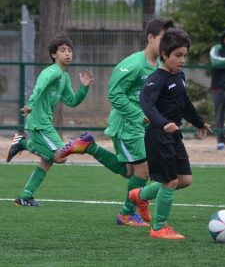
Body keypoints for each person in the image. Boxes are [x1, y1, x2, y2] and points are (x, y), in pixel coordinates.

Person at [58, 18, 175, 226]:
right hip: (127, 126)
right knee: (144, 171)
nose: (168, 44)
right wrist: (139, 116)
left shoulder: (158, 65)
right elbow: (114, 94)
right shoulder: (133, 65)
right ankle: (126, 213)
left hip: (142, 126)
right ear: (150, 38)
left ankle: (89, 146)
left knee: (131, 172)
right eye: (164, 39)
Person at [129, 28, 211, 239]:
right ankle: (158, 227)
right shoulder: (155, 79)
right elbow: (146, 104)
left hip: (174, 136)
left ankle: (140, 195)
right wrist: (163, 123)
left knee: (184, 180)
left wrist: (199, 122)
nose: (182, 60)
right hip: (158, 136)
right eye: (178, 55)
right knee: (170, 181)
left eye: (184, 55)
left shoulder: (180, 76)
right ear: (165, 55)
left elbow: (184, 104)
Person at [5, 33, 94, 206]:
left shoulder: (64, 77)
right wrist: (30, 104)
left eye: (70, 50)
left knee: (48, 161)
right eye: (62, 50)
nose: (68, 53)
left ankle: (25, 195)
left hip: (44, 123)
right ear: (54, 55)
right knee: (61, 157)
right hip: (39, 124)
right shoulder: (51, 71)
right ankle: (22, 143)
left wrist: (84, 88)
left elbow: (72, 101)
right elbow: (39, 86)